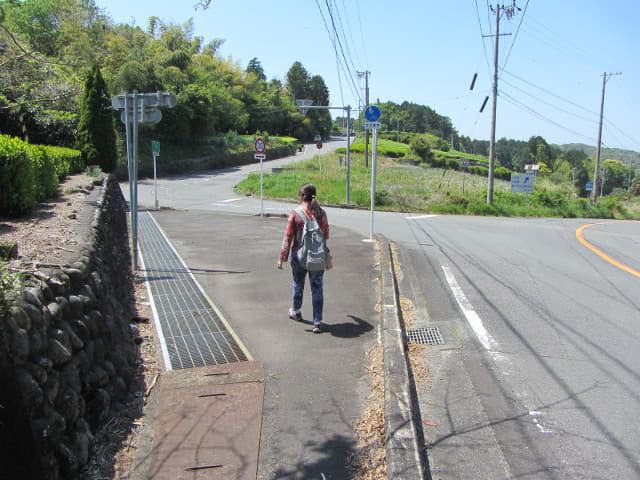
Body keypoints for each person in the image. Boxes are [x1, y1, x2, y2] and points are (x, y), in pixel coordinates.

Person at [277, 183, 332, 333]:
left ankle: (296, 311)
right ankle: (317, 321)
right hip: (318, 257)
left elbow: (288, 237)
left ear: (301, 196)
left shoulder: (295, 213)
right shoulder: (322, 213)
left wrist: (282, 257)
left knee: (298, 284)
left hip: (299, 256)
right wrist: (327, 257)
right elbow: (325, 235)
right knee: (317, 288)